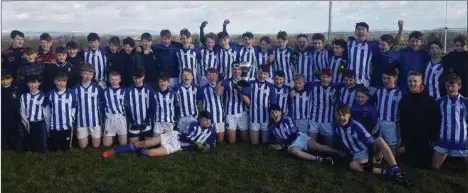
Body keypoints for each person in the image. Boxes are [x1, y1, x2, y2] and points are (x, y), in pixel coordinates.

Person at [333, 104, 410, 186]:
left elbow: (370, 144)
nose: (341, 117)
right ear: (336, 115)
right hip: (358, 155)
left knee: (379, 140)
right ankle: (388, 173)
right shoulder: (336, 127)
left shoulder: (356, 126)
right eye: (339, 115)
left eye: (344, 115)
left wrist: (370, 161)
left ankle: (396, 170)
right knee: (352, 165)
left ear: (349, 115)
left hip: (368, 150)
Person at [102, 110, 217, 158]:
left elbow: (212, 143)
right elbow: (183, 136)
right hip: (174, 136)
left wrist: (207, 146)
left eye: (209, 120)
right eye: (205, 120)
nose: (208, 122)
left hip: (177, 146)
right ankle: (116, 150)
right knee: (145, 142)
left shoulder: (211, 131)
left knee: (151, 153)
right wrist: (195, 144)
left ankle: (133, 149)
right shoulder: (193, 124)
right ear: (200, 119)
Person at [268, 104, 339, 165]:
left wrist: (283, 144)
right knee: (295, 152)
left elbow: (294, 132)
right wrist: (275, 145)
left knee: (319, 146)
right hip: (291, 145)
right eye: (272, 113)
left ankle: (340, 153)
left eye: (276, 112)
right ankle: (320, 160)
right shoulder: (271, 128)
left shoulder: (287, 119)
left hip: (299, 138)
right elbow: (274, 141)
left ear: (280, 112)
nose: (274, 114)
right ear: (270, 115)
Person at [399, 72, 441, 169]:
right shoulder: (404, 99)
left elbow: (436, 119)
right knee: (410, 163)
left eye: (415, 81)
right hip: (409, 137)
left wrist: (433, 136)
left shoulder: (430, 100)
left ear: (421, 82)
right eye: (410, 81)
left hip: (425, 137)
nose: (412, 83)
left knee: (425, 164)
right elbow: (402, 119)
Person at [432, 75, 468, 170]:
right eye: (447, 86)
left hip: (462, 141)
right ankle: (447, 155)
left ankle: (454, 156)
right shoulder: (440, 102)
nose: (450, 88)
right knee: (435, 167)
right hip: (444, 141)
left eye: (453, 86)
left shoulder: (465, 102)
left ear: (459, 86)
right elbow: (435, 120)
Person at [73, 64, 104, 149]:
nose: (88, 76)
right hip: (81, 121)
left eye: (90, 74)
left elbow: (102, 103)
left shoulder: (98, 88)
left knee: (96, 146)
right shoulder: (75, 88)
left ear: (93, 75)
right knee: (83, 146)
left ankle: (92, 136)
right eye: (86, 73)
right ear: (81, 74)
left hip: (95, 121)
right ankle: (86, 136)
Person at [217, 64, 250, 143]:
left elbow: (249, 96)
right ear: (231, 70)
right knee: (232, 141)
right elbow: (218, 93)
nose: (236, 71)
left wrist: (242, 90)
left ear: (241, 70)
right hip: (230, 112)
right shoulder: (226, 81)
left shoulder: (246, 81)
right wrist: (219, 80)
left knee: (245, 139)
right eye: (234, 69)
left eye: (238, 69)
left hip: (243, 112)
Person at [45, 72, 77, 152]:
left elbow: (73, 108)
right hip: (54, 125)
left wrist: (71, 119)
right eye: (58, 81)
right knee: (54, 149)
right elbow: (47, 110)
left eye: (64, 81)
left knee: (65, 149)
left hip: (67, 125)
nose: (61, 83)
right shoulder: (50, 94)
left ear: (66, 82)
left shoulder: (71, 93)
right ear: (54, 82)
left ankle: (67, 145)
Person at [246, 65, 276, 144]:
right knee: (254, 143)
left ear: (268, 74)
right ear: (257, 72)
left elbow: (273, 102)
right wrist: (250, 104)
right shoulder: (250, 83)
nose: (262, 76)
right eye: (261, 73)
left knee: (265, 142)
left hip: (265, 116)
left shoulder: (271, 86)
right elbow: (244, 94)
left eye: (265, 74)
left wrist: (273, 116)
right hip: (254, 116)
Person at [374, 69, 402, 154]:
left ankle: (393, 163)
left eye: (388, 78)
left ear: (395, 78)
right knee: (377, 142)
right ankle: (378, 161)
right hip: (379, 121)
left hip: (392, 122)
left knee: (391, 144)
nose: (386, 80)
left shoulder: (399, 93)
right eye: (384, 78)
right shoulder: (379, 91)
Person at [124, 68, 155, 143]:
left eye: (139, 78)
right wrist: (132, 122)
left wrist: (146, 121)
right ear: (132, 77)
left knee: (149, 144)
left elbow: (152, 106)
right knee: (133, 145)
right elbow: (127, 107)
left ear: (143, 77)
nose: (137, 81)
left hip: (146, 122)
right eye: (135, 78)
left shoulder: (149, 89)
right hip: (134, 122)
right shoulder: (129, 90)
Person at [20, 75, 48, 152]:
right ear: (27, 84)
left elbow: (47, 113)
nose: (33, 85)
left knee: (41, 147)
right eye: (30, 83)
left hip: (40, 123)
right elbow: (22, 111)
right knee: (29, 145)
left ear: (39, 83)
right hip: (28, 123)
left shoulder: (44, 96)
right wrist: (25, 122)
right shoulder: (24, 96)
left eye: (35, 82)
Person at [308, 68, 336, 146]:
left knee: (330, 144)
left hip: (327, 120)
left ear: (331, 78)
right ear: (320, 77)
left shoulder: (335, 88)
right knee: (310, 144)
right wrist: (293, 90)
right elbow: (300, 83)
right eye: (323, 77)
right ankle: (314, 155)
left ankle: (331, 155)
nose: (325, 79)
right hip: (314, 119)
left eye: (328, 77)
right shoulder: (313, 85)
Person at [197, 68, 225, 142]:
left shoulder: (222, 87)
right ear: (206, 77)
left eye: (213, 75)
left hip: (219, 115)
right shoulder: (202, 88)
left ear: (217, 76)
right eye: (209, 75)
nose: (211, 77)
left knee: (220, 141)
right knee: (209, 140)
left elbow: (220, 94)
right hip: (208, 116)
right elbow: (198, 102)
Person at [102, 71, 128, 147]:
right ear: (109, 80)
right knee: (106, 145)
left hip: (121, 118)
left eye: (116, 79)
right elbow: (102, 105)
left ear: (120, 80)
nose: (114, 81)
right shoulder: (105, 91)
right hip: (110, 118)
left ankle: (118, 137)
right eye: (112, 79)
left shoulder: (125, 91)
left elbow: (128, 105)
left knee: (123, 144)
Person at [1, 70, 20, 151]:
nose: (5, 82)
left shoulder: (16, 90)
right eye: (2, 79)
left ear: (11, 79)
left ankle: (13, 145)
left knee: (13, 133)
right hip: (2, 117)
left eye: (7, 79)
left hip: (13, 117)